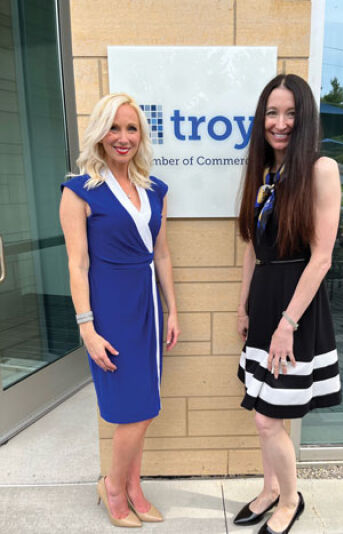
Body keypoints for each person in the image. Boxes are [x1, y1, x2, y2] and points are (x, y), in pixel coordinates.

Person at [60, 93, 180, 527]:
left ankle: (133, 485)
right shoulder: (79, 191)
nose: (123, 137)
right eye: (114, 127)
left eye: (131, 128)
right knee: (133, 408)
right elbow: (77, 264)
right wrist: (87, 328)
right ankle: (114, 485)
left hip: (147, 305)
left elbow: (162, 254)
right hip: (109, 310)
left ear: (141, 135)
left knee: (145, 404)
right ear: (100, 133)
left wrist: (173, 310)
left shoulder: (154, 190)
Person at [234, 74, 342, 534]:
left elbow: (321, 258)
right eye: (271, 113)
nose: (279, 123)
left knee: (266, 418)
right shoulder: (265, 173)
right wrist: (243, 307)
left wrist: (287, 323)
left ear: (305, 118)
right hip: (265, 305)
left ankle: (290, 500)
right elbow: (252, 247)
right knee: (266, 408)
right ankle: (270, 488)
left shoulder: (321, 169)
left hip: (294, 310)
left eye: (290, 113)